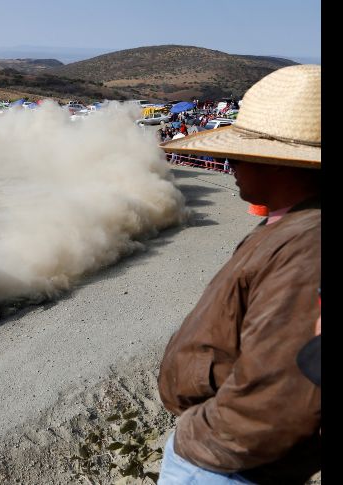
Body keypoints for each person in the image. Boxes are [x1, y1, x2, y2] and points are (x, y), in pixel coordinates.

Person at [156, 64, 321, 484]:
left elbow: (281, 395)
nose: (228, 161)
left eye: (242, 152)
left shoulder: (309, 245)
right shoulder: (293, 226)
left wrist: (197, 439)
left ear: (281, 163)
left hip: (223, 465)